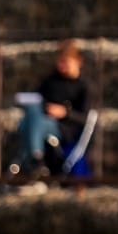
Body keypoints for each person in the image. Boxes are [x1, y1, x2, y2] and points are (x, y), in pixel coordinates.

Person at [12, 39, 91, 180]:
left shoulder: (83, 87)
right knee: (32, 114)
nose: (61, 66)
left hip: (65, 129)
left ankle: (34, 161)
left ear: (78, 61)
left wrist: (65, 113)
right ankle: (36, 160)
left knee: (29, 123)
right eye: (59, 62)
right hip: (43, 123)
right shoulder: (51, 81)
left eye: (65, 62)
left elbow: (85, 118)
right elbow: (39, 99)